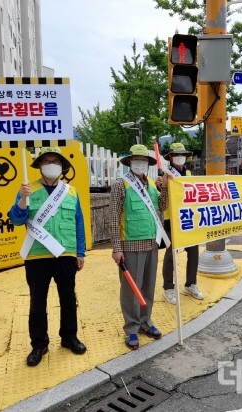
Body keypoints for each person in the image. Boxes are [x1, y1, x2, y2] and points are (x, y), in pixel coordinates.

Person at [8, 147, 86, 367]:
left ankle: (69, 337)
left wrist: (80, 252)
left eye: (55, 161)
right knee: (37, 302)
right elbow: (16, 219)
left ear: (62, 166)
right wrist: (23, 200)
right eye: (47, 160)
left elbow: (78, 223)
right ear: (40, 165)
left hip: (66, 254)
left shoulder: (71, 191)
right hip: (37, 256)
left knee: (69, 299)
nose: (51, 164)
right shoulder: (28, 188)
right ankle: (39, 344)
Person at [108, 144, 169, 350]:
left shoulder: (152, 183)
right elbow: (113, 217)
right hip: (130, 245)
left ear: (148, 163)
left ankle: (145, 321)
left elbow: (162, 207)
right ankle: (131, 329)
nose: (140, 163)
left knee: (148, 286)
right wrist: (117, 248)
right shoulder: (120, 185)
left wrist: (166, 187)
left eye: (144, 160)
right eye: (137, 160)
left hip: (151, 243)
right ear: (130, 162)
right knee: (130, 291)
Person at [160, 143, 203, 305]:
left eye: (182, 154)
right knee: (171, 255)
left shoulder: (189, 173)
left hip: (189, 219)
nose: (180, 157)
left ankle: (191, 284)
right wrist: (163, 184)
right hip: (172, 219)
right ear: (170, 157)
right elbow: (161, 198)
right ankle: (168, 287)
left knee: (193, 252)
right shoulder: (165, 174)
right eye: (177, 155)